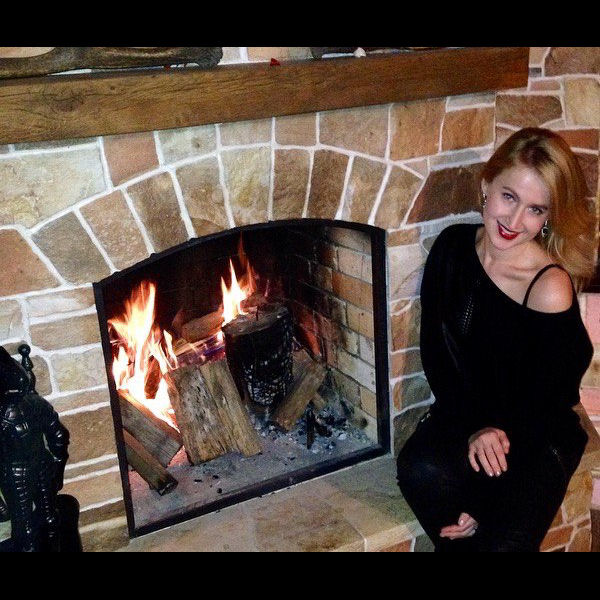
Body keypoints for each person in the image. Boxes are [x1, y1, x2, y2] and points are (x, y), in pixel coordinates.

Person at [396, 127, 597, 552]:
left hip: (535, 436)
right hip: (470, 418)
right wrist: (475, 428)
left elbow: (547, 402)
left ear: (547, 217)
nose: (514, 221)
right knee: (417, 468)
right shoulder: (451, 248)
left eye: (535, 209)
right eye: (509, 197)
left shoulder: (548, 286)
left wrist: (482, 499)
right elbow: (438, 358)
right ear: (487, 185)